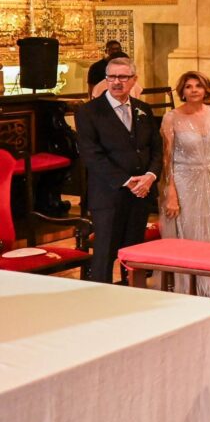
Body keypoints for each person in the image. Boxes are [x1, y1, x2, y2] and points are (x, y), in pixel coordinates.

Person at [75, 56, 163, 284]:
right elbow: (91, 155)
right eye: (111, 77)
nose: (116, 82)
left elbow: (156, 148)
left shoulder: (143, 109)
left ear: (134, 80)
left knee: (133, 252)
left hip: (141, 195)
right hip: (109, 195)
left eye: (123, 77)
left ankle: (132, 293)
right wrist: (128, 181)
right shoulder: (89, 112)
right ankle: (102, 302)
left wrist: (150, 177)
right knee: (105, 253)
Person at [158, 71, 210, 296]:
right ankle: (189, 287)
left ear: (205, 89)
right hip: (185, 181)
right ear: (182, 91)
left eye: (198, 86)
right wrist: (170, 191)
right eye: (188, 86)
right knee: (191, 233)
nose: (194, 90)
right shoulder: (171, 117)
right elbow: (167, 159)